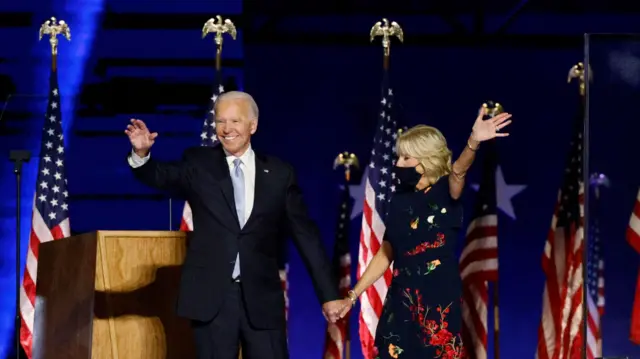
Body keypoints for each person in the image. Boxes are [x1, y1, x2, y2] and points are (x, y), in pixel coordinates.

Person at [124, 91, 344, 359]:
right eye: (220, 121)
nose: (226, 129)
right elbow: (160, 177)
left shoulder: (279, 173)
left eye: (235, 121)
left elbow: (305, 235)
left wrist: (329, 294)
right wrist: (141, 153)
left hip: (262, 299)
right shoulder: (199, 163)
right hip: (213, 300)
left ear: (253, 125)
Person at [334, 107, 512, 359]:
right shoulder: (398, 202)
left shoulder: (446, 191)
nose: (397, 164)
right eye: (398, 158)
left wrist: (473, 142)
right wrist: (352, 296)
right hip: (401, 302)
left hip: (437, 300)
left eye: (406, 158)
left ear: (426, 160)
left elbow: (459, 170)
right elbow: (386, 253)